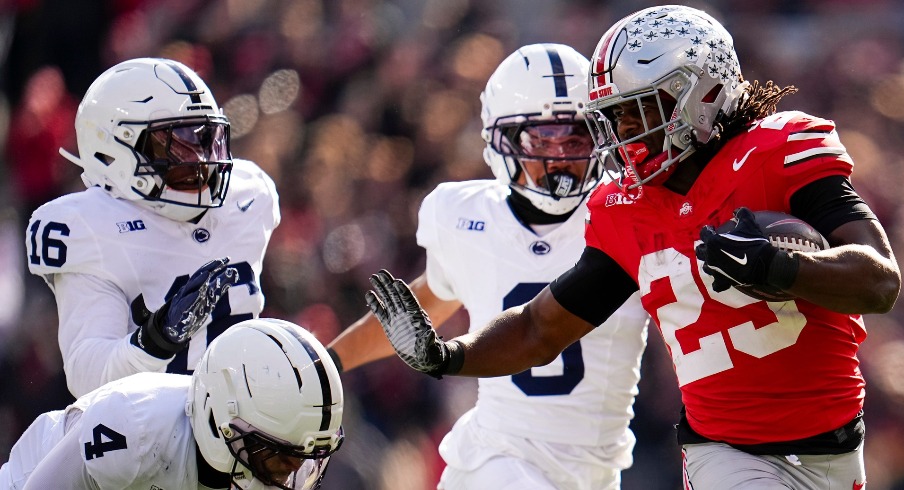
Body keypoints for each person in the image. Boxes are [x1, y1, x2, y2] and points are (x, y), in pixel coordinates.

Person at [365, 5, 900, 489]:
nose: (622, 132)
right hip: (725, 453)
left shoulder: (776, 153)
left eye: (638, 110)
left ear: (701, 92)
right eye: (614, 116)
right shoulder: (625, 209)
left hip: (836, 442)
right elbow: (538, 328)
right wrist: (448, 355)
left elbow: (879, 282)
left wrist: (780, 268)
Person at [327, 43, 649, 490]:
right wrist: (330, 360)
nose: (558, 159)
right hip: (497, 462)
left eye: (575, 139)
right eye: (541, 140)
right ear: (503, 142)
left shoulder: (634, 211)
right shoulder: (461, 216)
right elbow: (429, 301)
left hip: (594, 474)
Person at [25, 57, 280, 398]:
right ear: (112, 153)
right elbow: (88, 377)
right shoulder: (93, 228)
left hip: (243, 424)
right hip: (145, 432)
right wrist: (156, 340)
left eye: (205, 140)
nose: (200, 162)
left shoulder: (248, 197)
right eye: (174, 145)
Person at [0, 318, 344, 490]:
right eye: (279, 456)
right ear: (217, 420)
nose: (292, 472)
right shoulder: (133, 426)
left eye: (303, 457)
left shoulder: (287, 462)